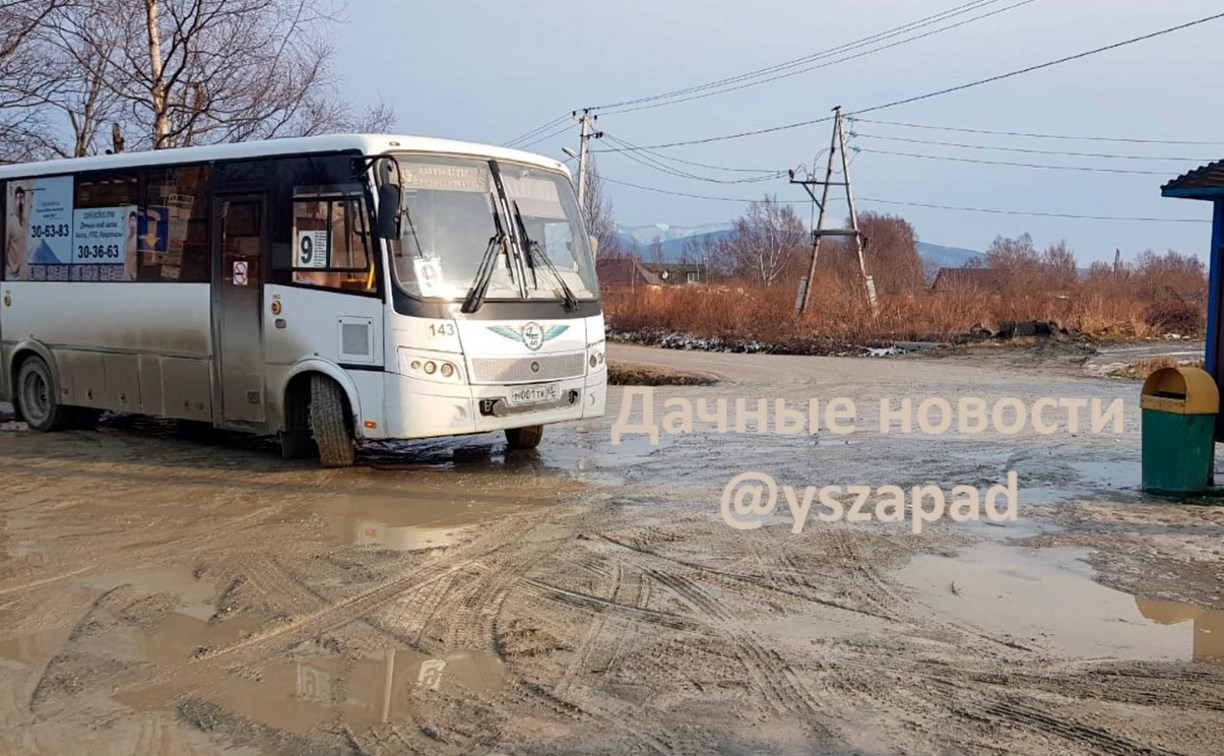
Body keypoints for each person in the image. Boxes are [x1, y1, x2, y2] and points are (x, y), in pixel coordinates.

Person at [4, 185, 28, 279]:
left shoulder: (25, 223)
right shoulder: (10, 222)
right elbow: (4, 247)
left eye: (22, 198)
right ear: (14, 200)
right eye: (18, 198)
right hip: (9, 274)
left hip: (20, 275)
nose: (20, 202)